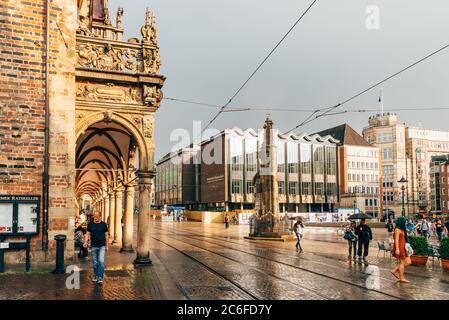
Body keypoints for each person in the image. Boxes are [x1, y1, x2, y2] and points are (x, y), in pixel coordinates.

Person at [84, 211, 109, 285]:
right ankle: (95, 275)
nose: (95, 218)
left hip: (102, 246)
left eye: (96, 217)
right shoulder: (90, 224)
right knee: (95, 263)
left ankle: (100, 277)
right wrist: (85, 242)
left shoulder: (104, 224)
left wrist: (107, 246)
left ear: (100, 216)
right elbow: (87, 234)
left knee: (101, 261)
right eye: (94, 216)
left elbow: (106, 235)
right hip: (94, 246)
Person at [391, 216, 412, 283]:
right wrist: (397, 249)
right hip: (400, 247)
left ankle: (394, 270)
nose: (406, 223)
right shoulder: (397, 230)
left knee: (408, 262)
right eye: (405, 221)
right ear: (401, 222)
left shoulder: (403, 229)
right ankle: (401, 278)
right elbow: (396, 240)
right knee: (402, 263)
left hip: (404, 247)